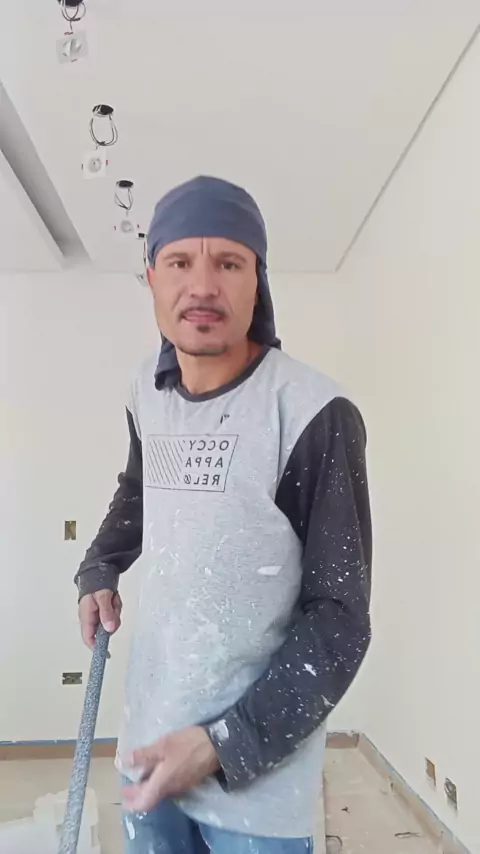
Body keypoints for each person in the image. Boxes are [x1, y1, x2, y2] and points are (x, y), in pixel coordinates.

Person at [75, 175, 372, 854]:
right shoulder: (145, 392)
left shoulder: (312, 413)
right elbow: (141, 486)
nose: (203, 286)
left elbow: (339, 620)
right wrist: (100, 565)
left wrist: (221, 744)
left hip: (256, 785)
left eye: (229, 263)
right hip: (149, 749)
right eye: (180, 261)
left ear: (257, 281)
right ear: (152, 277)